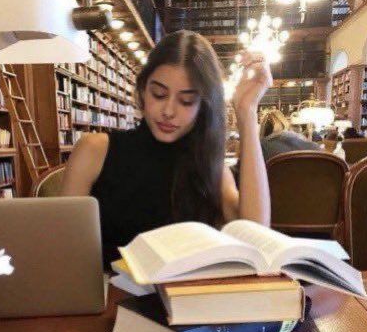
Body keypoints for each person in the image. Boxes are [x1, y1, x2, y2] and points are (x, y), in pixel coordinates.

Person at [62, 30, 271, 267]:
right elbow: (63, 249)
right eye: (159, 94)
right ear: (142, 90)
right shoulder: (95, 150)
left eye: (186, 101)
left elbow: (258, 236)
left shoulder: (210, 167)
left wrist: (247, 111)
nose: (169, 111)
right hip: (107, 298)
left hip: (185, 300)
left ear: (203, 105)